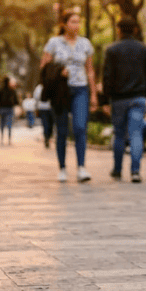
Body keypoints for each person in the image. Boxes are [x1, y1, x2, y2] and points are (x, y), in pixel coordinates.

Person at [41, 10, 98, 183]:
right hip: (61, 90)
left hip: (80, 89)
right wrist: (59, 72)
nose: (76, 25)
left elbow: (90, 71)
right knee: (62, 130)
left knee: (80, 128)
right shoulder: (53, 43)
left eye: (78, 22)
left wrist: (94, 94)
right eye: (73, 22)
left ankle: (81, 167)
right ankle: (63, 168)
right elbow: (44, 68)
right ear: (64, 24)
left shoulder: (85, 44)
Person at [103, 16, 146, 182]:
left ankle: (117, 170)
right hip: (138, 97)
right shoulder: (144, 49)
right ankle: (135, 172)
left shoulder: (111, 50)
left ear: (118, 30)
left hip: (118, 99)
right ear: (135, 30)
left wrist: (105, 99)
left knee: (119, 135)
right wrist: (145, 93)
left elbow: (107, 76)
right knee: (136, 134)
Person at [0, 77, 19, 145]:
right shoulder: (11, 90)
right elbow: (16, 100)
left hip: (2, 109)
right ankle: (9, 139)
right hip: (9, 108)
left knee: (2, 124)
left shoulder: (0, 90)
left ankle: (2, 138)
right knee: (9, 124)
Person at [33, 78, 55, 148]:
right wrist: (36, 107)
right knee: (46, 123)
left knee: (49, 123)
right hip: (43, 107)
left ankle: (48, 136)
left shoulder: (50, 86)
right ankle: (46, 137)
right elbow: (36, 98)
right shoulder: (39, 87)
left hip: (49, 107)